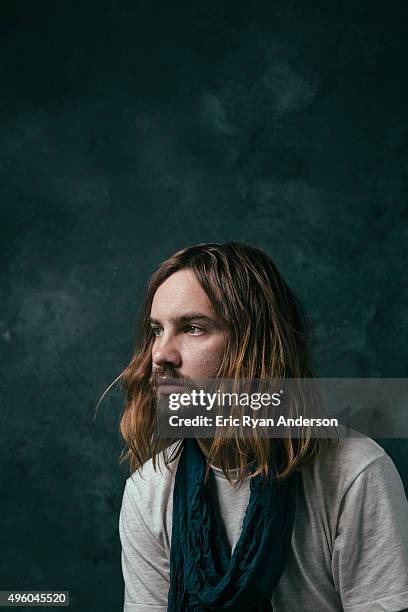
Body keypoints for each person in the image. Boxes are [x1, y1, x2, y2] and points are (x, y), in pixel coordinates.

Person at [116, 242, 408, 611]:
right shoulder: (149, 489)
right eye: (157, 330)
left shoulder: (353, 471)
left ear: (255, 346)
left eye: (192, 328)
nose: (160, 354)